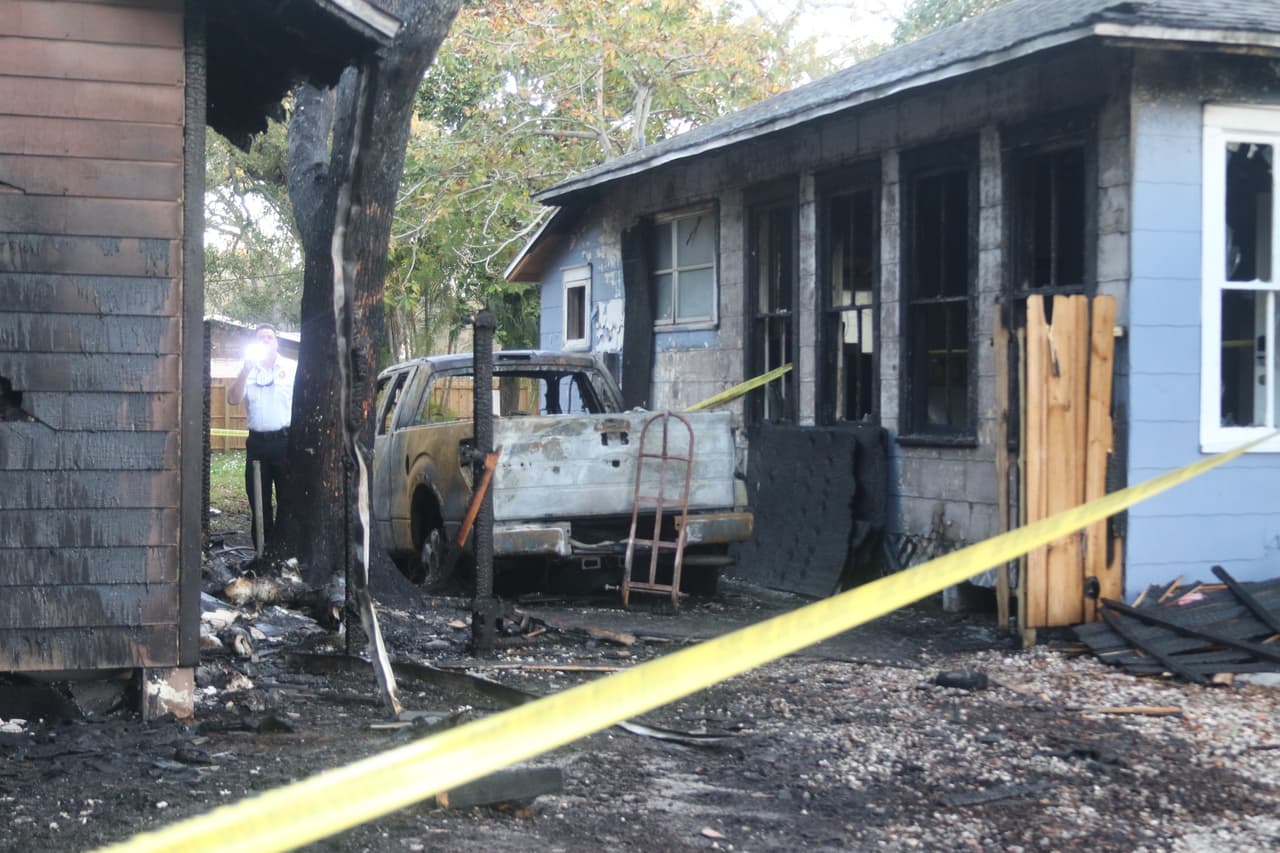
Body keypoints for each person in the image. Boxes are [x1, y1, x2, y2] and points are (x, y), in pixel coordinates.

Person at [227, 323, 296, 554]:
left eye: (269, 337)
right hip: (257, 444)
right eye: (261, 338)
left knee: (288, 501)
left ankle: (286, 553)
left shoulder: (291, 368)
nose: (265, 341)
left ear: (277, 342)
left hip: (285, 443)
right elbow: (233, 400)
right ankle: (262, 554)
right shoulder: (249, 371)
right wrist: (245, 370)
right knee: (259, 501)